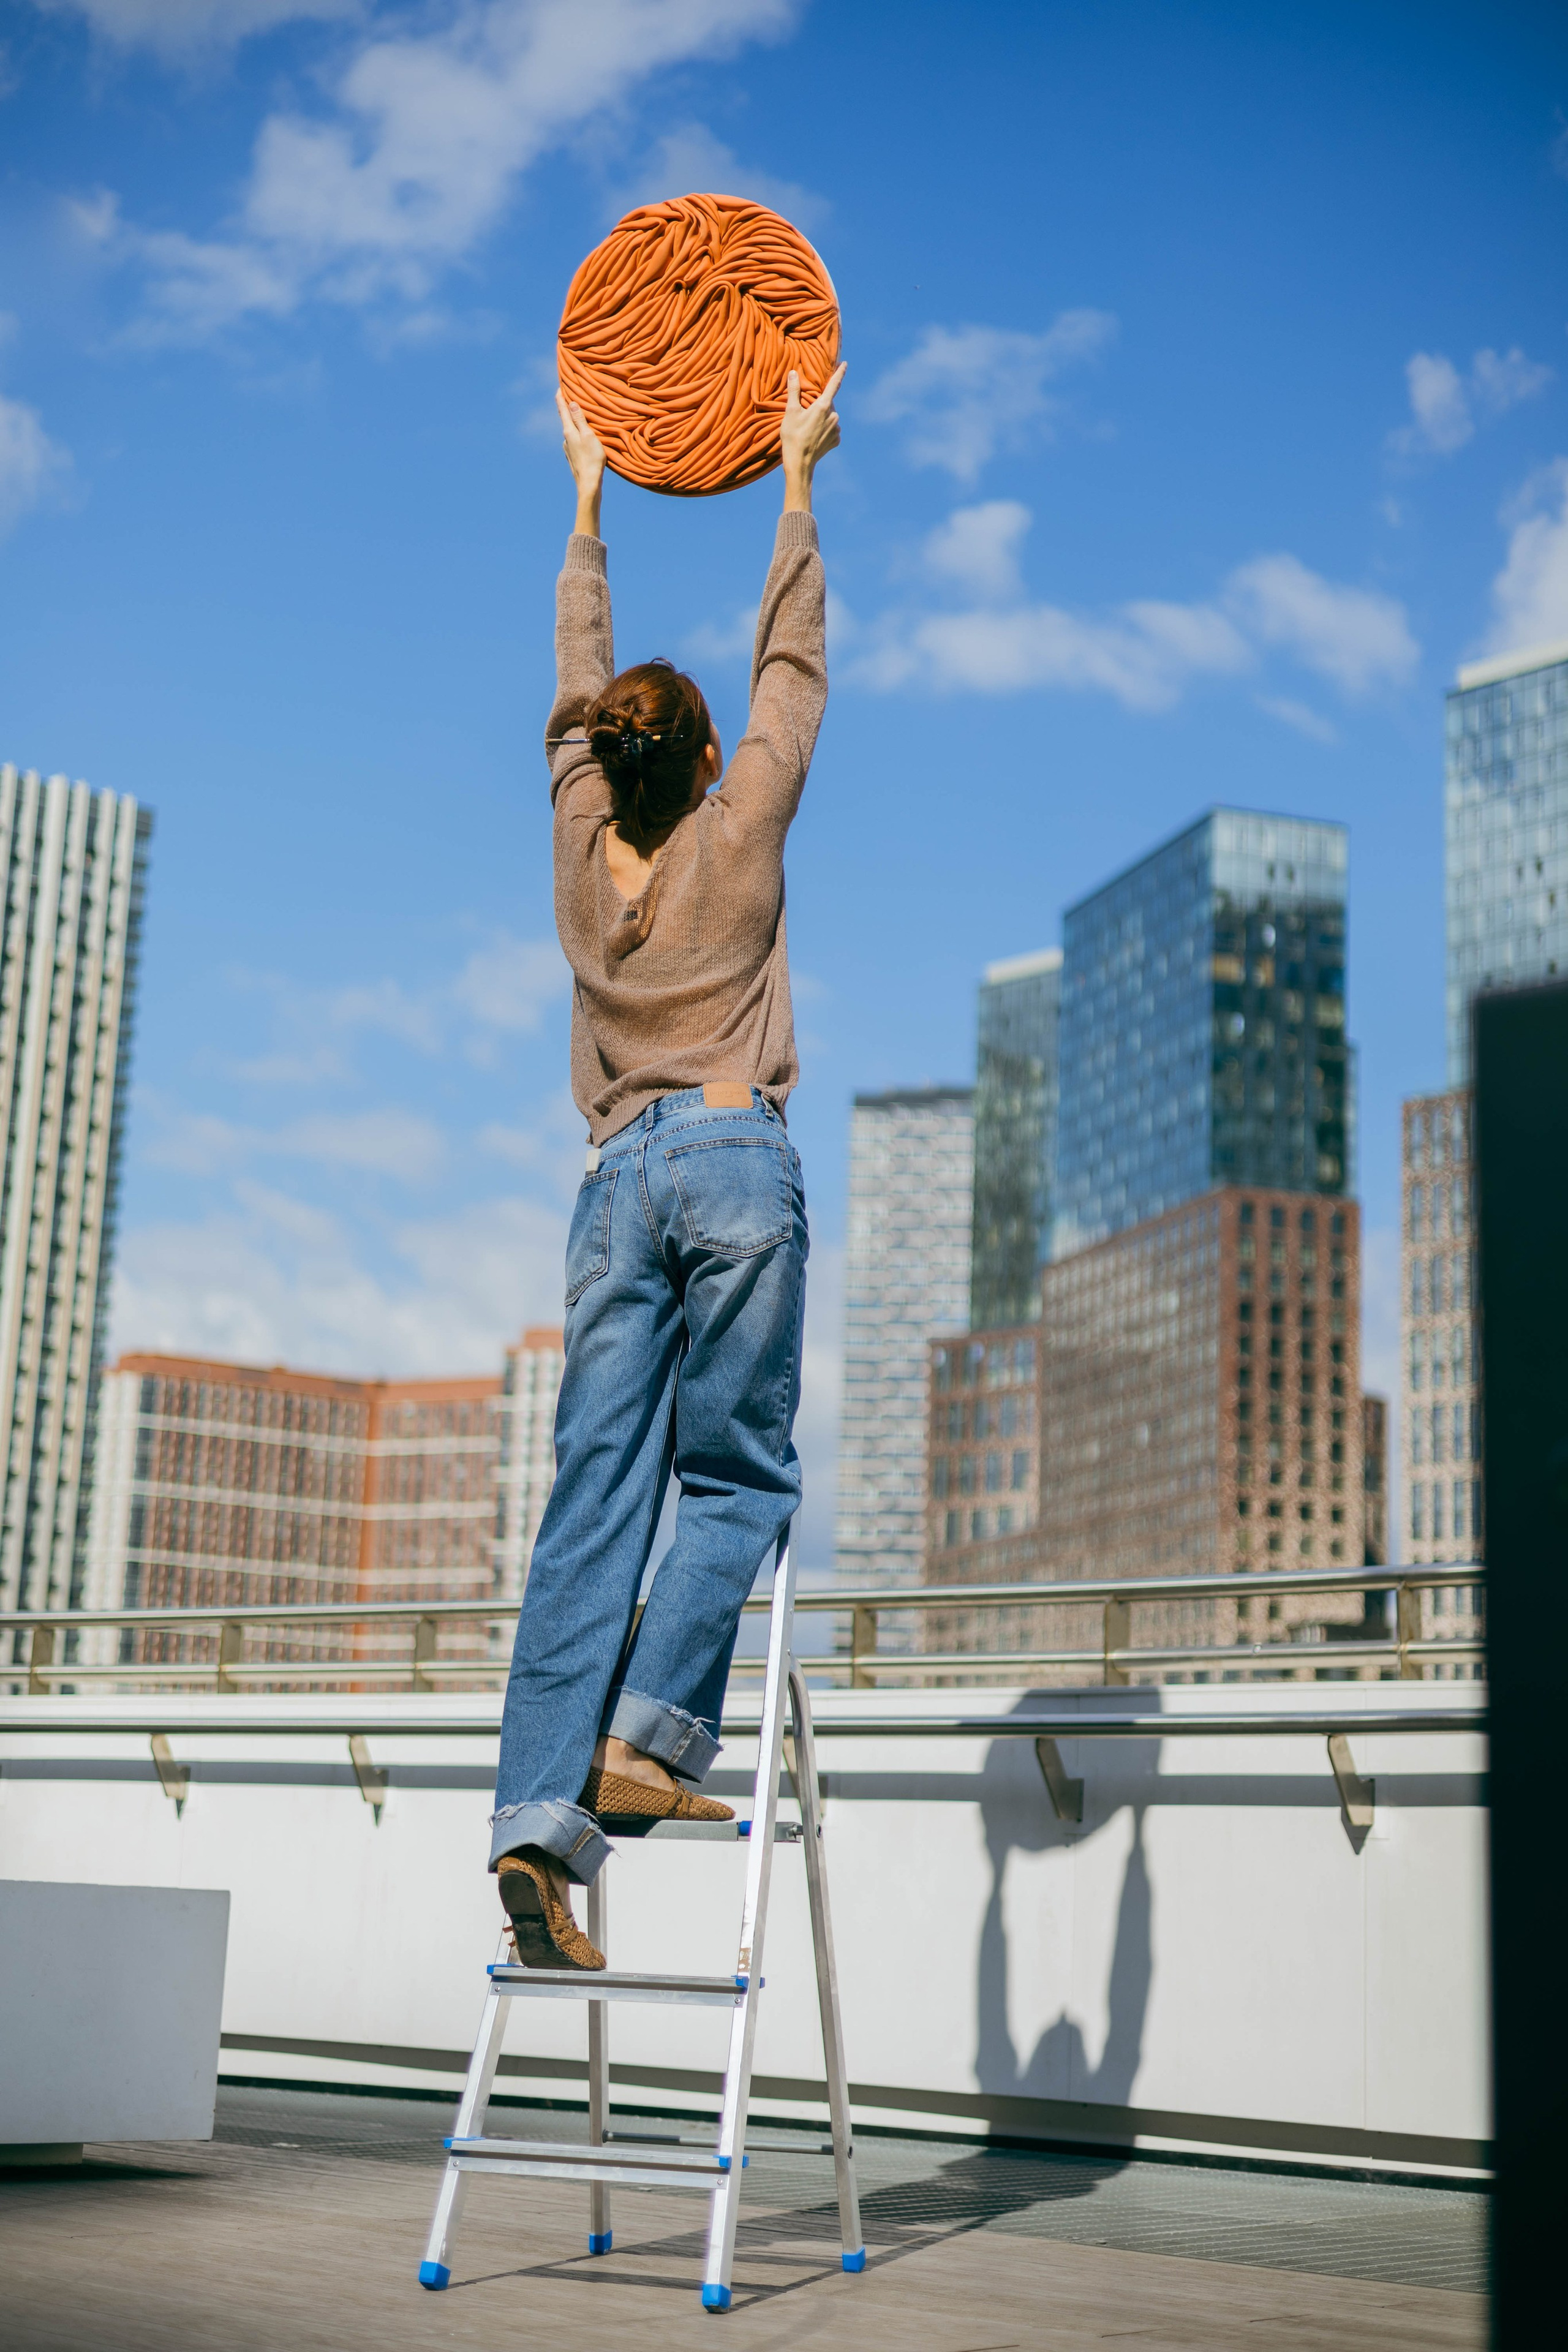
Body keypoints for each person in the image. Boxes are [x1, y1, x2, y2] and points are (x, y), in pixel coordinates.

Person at [489, 360, 848, 1969]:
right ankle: (645, 1742)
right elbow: (794, 667)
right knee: (744, 1476)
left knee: (588, 1505)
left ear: (603, 757)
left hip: (610, 1178)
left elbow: (577, 676)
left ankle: (533, 1828)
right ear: (703, 757)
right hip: (725, 1150)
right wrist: (792, 479)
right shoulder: (743, 821)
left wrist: (584, 502)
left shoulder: (581, 846)